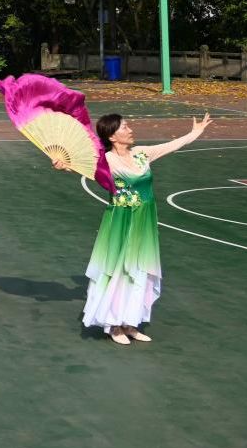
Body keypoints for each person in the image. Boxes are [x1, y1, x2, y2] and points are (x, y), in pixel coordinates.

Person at [77, 111, 211, 345]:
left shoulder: (141, 153)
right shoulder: (105, 160)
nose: (130, 130)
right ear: (112, 136)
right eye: (124, 127)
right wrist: (62, 165)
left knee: (140, 270)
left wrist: (195, 133)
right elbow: (75, 165)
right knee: (118, 269)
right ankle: (113, 324)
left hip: (145, 221)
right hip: (120, 222)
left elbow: (171, 146)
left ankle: (130, 322)